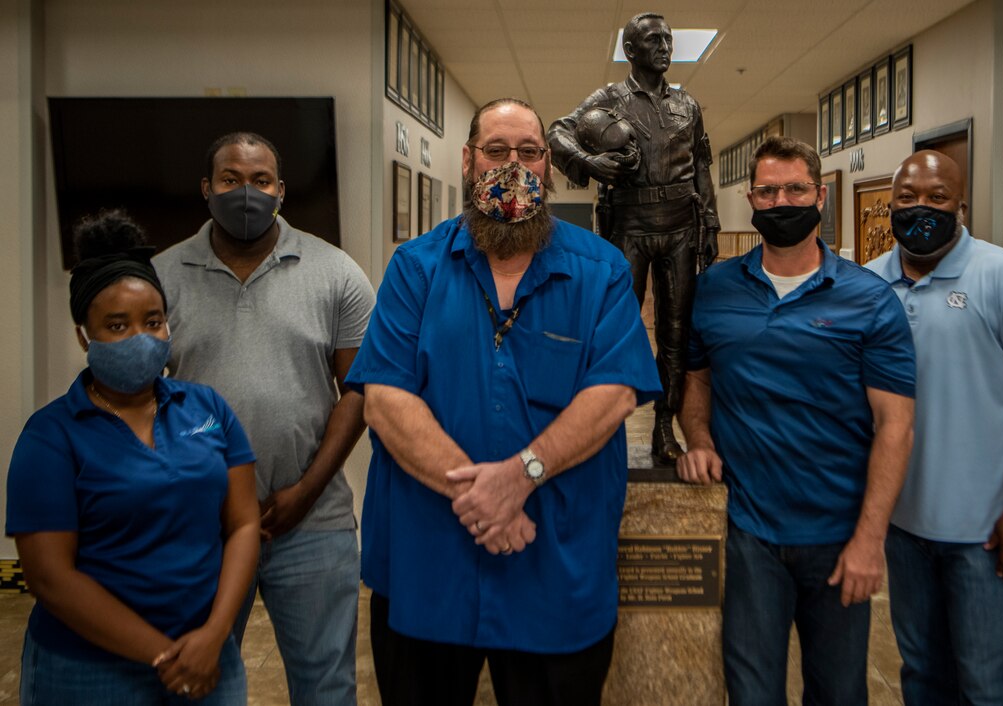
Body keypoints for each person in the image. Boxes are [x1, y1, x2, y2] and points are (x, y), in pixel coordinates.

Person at [347, 98, 660, 706]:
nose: (512, 166)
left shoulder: (601, 271)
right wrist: (487, 495)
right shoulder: (415, 269)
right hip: (429, 569)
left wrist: (521, 476)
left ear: (548, 165)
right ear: (468, 162)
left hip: (554, 570)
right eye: (496, 151)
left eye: (529, 152)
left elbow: (615, 392)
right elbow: (385, 401)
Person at [676, 136, 916, 704]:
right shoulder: (714, 288)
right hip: (750, 534)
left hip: (837, 536)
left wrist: (869, 541)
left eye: (795, 188)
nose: (781, 200)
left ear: (821, 195)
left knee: (837, 691)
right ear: (751, 200)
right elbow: (698, 380)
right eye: (768, 190)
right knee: (752, 691)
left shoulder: (870, 300)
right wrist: (700, 437)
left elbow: (896, 427)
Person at [153, 132, 375, 705]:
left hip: (310, 521)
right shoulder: (161, 277)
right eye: (230, 179)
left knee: (326, 687)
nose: (245, 192)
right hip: (199, 525)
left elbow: (358, 391)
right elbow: (141, 399)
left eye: (260, 180)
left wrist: (306, 489)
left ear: (280, 190)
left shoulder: (335, 272)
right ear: (206, 189)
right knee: (199, 682)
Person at [7, 209, 259, 704]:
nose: (140, 338)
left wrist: (215, 635)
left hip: (210, 657)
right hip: (89, 670)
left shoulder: (207, 408)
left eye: (153, 321)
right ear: (84, 335)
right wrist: (165, 656)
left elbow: (244, 524)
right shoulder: (52, 436)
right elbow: (49, 578)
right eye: (117, 325)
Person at [867, 150, 1003, 706]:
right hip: (904, 528)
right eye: (907, 198)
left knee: (987, 688)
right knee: (922, 677)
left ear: (962, 203)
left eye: (937, 197)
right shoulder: (867, 286)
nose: (921, 208)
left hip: (987, 534)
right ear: (891, 204)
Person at [548, 12, 719, 465]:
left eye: (668, 39)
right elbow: (556, 133)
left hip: (682, 225)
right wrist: (590, 161)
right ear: (630, 50)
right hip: (630, 226)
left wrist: (712, 224)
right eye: (653, 39)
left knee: (676, 333)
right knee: (616, 330)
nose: (664, 46)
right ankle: (605, 427)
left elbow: (702, 165)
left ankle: (665, 425)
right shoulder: (610, 99)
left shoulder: (689, 105)